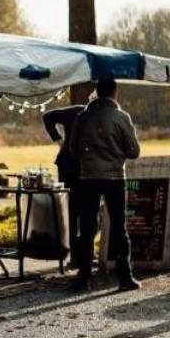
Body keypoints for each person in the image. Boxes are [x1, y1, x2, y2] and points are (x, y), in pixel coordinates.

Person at [68, 77, 142, 292]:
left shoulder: (83, 117)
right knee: (119, 227)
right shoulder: (121, 117)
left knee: (87, 227)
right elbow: (134, 151)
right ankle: (124, 277)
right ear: (114, 92)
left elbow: (73, 149)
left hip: (88, 177)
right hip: (115, 178)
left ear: (97, 92)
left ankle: (83, 277)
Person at [42, 104, 85, 259]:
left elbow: (48, 117)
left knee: (78, 209)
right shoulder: (78, 110)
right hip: (70, 165)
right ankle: (75, 253)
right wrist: (59, 140)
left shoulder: (82, 111)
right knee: (73, 209)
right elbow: (47, 116)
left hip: (78, 165)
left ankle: (79, 252)